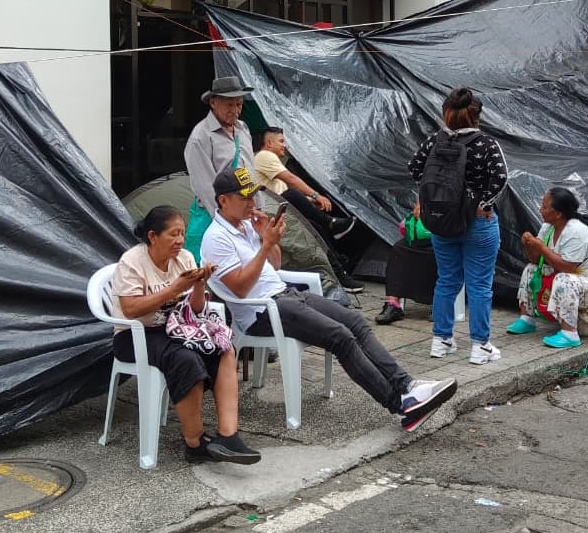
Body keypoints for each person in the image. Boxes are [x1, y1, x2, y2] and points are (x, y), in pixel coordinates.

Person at [201, 167, 457, 432]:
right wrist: (265, 245)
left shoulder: (246, 225)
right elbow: (241, 289)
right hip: (261, 312)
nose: (252, 203)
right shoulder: (216, 238)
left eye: (252, 195)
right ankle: (400, 405)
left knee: (355, 323)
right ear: (223, 200)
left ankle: (406, 386)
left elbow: (274, 266)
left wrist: (269, 239)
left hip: (285, 294)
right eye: (245, 198)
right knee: (340, 337)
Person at [111, 205, 260, 465]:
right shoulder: (132, 261)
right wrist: (173, 290)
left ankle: (228, 436)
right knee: (185, 359)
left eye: (182, 233)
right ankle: (195, 442)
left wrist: (200, 284)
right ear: (152, 236)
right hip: (135, 335)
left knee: (224, 347)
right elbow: (130, 309)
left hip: (176, 327)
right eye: (173, 234)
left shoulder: (185, 258)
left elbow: (196, 310)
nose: (180, 240)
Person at [408, 88, 509, 365]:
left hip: (441, 221)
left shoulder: (433, 142)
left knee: (447, 281)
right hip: (477, 222)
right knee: (479, 285)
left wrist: (433, 199)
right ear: (476, 116)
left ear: (447, 113)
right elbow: (500, 178)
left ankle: (441, 341)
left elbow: (414, 168)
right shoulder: (486, 144)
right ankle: (480, 346)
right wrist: (484, 204)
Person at [252, 126, 364, 293]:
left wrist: (309, 200)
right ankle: (331, 224)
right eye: (281, 141)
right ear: (269, 143)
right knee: (314, 226)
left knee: (317, 231)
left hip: (287, 213)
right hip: (278, 217)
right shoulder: (264, 155)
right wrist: (315, 195)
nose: (285, 145)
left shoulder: (268, 163)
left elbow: (280, 190)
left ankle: (338, 273)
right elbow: (289, 180)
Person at [506, 187, 588, 348]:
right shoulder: (548, 227)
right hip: (571, 279)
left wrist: (541, 247)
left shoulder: (576, 231)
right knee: (530, 269)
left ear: (558, 214)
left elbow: (567, 268)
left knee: (564, 279)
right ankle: (526, 319)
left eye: (544, 207)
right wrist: (529, 245)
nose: (540, 210)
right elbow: (536, 260)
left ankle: (569, 333)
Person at [184, 76, 257, 261]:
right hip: (215, 217)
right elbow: (206, 187)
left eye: (239, 104)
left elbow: (251, 173)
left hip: (245, 214)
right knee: (208, 272)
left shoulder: (243, 128)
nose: (235, 110)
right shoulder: (200, 137)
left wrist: (255, 209)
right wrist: (228, 222)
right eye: (229, 104)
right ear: (213, 103)